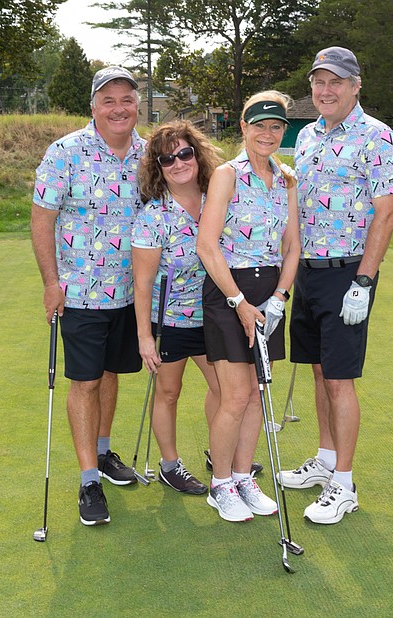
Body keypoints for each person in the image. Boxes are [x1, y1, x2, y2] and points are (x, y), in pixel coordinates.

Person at [280, 46, 393, 524]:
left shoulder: (377, 137)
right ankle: (326, 459)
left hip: (347, 272)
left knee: (339, 379)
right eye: (319, 82)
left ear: (355, 86)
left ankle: (344, 484)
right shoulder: (307, 134)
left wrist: (365, 281)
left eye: (336, 82)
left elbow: (386, 212)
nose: (325, 90)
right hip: (307, 271)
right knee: (316, 370)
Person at [31, 66, 145, 527]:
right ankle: (88, 480)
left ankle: (102, 451)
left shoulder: (148, 152)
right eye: (108, 100)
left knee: (111, 373)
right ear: (93, 106)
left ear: (138, 104)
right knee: (87, 382)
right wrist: (50, 282)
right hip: (79, 291)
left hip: (131, 290)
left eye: (127, 99)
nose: (119, 108)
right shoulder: (65, 152)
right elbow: (42, 219)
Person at [196, 91, 300, 522]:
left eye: (275, 126)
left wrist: (278, 298)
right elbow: (207, 244)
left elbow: (292, 246)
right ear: (243, 127)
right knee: (236, 395)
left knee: (258, 394)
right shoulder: (227, 174)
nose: (268, 133)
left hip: (269, 291)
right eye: (259, 125)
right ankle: (220, 484)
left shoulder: (288, 178)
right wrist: (238, 301)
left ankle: (243, 477)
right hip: (228, 290)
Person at [131, 121, 224, 495]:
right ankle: (170, 465)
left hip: (217, 317)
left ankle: (222, 452)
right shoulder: (154, 217)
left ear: (197, 155)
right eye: (167, 158)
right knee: (169, 393)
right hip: (170, 322)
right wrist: (144, 338)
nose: (179, 162)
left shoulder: (219, 199)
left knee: (225, 390)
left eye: (185, 153)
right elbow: (143, 283)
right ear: (158, 167)